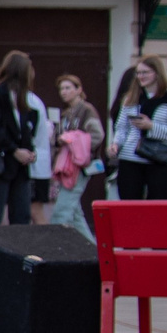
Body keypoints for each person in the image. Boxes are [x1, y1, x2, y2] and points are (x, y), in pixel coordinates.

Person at [0, 50, 44, 224]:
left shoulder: (24, 97)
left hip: (20, 167)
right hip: (1, 162)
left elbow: (24, 129)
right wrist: (14, 150)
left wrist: (29, 151)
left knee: (21, 214)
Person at [110, 57, 167, 199]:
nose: (141, 76)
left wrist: (151, 127)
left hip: (160, 159)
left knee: (158, 206)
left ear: (157, 73)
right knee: (129, 204)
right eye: (138, 73)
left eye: (145, 72)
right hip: (130, 158)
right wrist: (116, 144)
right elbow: (122, 128)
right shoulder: (131, 99)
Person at [49, 73, 104, 239]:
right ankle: (92, 249)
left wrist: (75, 144)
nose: (64, 92)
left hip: (79, 166)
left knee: (62, 211)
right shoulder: (67, 113)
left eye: (68, 88)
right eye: (61, 89)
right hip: (67, 166)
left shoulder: (86, 110)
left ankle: (54, 244)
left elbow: (97, 135)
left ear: (79, 89)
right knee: (75, 214)